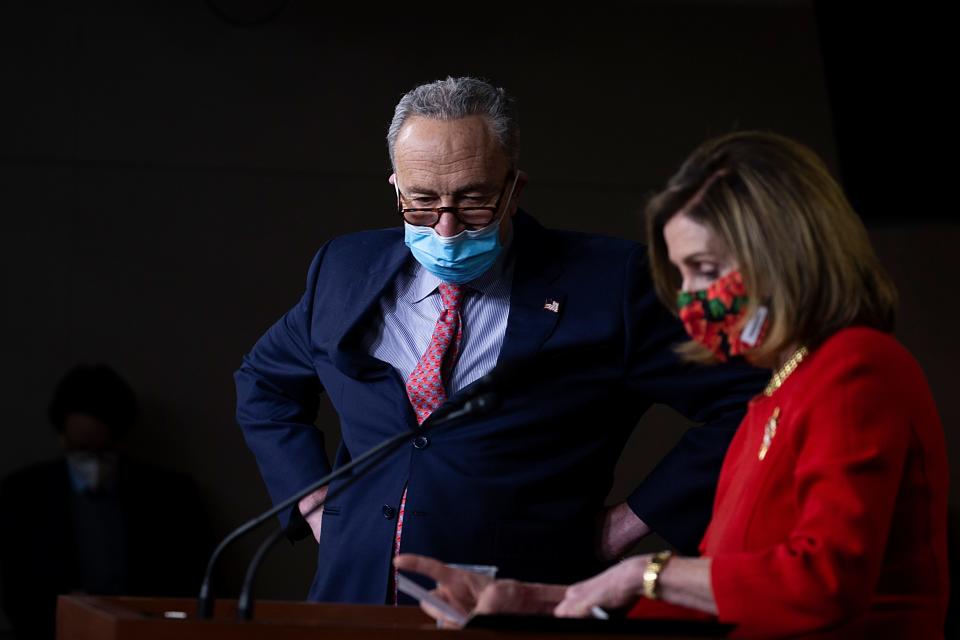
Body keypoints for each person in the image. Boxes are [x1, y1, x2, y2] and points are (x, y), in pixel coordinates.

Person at [235, 77, 766, 605]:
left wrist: (630, 524)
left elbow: (750, 400)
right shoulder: (343, 268)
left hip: (522, 606)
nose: (446, 229)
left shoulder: (611, 284)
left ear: (515, 189)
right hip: (350, 601)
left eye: (474, 201)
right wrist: (312, 503)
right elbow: (264, 381)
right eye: (421, 202)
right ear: (395, 187)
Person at [396, 131, 949, 637]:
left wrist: (644, 573)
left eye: (704, 268)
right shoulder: (775, 394)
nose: (687, 301)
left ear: (784, 254)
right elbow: (716, 599)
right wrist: (533, 602)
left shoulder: (855, 366)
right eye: (681, 277)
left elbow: (825, 582)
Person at [0, 365, 211, 640]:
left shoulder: (171, 496)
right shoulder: (23, 494)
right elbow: (19, 592)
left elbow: (194, 585)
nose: (92, 464)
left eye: (102, 451)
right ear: (62, 436)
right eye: (81, 450)